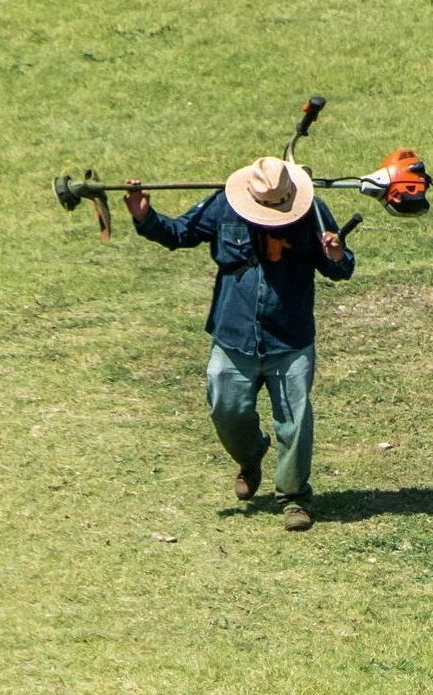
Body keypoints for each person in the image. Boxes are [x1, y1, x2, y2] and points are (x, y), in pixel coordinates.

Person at [125, 153, 355, 530]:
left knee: (295, 423)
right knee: (224, 408)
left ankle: (294, 498)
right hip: (233, 337)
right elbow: (180, 233)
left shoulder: (313, 211)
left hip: (289, 339)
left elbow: (339, 268)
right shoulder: (223, 205)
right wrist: (143, 216)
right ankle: (251, 454)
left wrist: (336, 254)